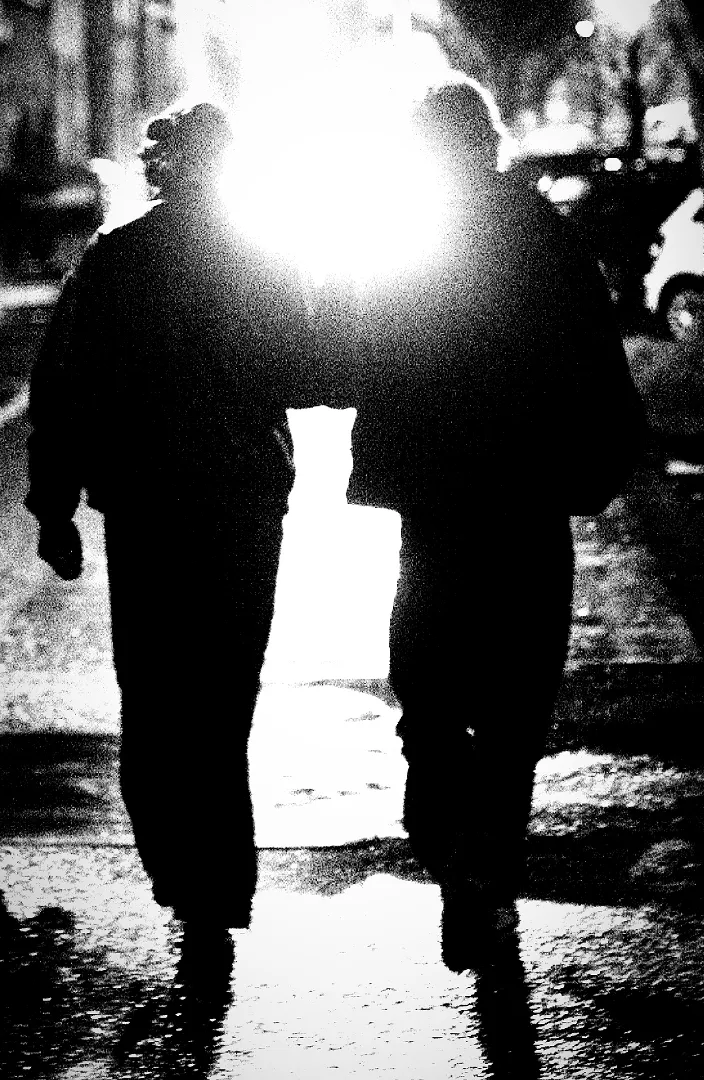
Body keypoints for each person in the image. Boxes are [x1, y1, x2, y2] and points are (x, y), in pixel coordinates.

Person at [335, 79, 646, 964]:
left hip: (435, 504)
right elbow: (597, 359)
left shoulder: (403, 240)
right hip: (526, 504)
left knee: (430, 684)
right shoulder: (546, 237)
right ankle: (487, 871)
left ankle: (440, 818)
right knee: (516, 708)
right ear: (493, 143)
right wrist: (598, 467)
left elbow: (354, 352)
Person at [24, 101, 312, 938]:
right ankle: (219, 882)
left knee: (154, 698)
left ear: (161, 170)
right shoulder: (261, 258)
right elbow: (308, 361)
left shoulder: (114, 263)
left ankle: (181, 868)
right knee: (224, 701)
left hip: (150, 508)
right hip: (242, 502)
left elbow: (65, 393)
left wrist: (56, 507)